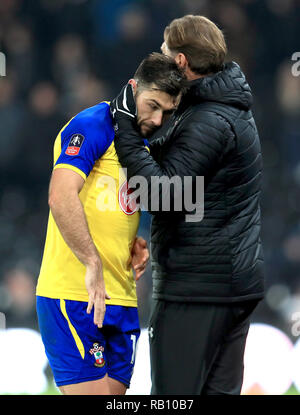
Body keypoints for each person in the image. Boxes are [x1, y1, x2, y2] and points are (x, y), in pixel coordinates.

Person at [110, 15, 265, 395]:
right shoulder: (222, 109)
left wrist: (127, 132)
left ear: (180, 61)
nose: (160, 59)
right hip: (225, 284)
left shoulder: (208, 119)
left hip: (198, 290)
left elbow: (164, 196)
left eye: (164, 53)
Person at [35, 52, 185, 395]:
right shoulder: (91, 124)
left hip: (122, 298)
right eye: (152, 105)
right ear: (133, 88)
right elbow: (60, 196)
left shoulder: (146, 143)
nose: (158, 119)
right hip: (74, 294)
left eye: (167, 111)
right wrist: (91, 260)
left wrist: (132, 240)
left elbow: (116, 202)